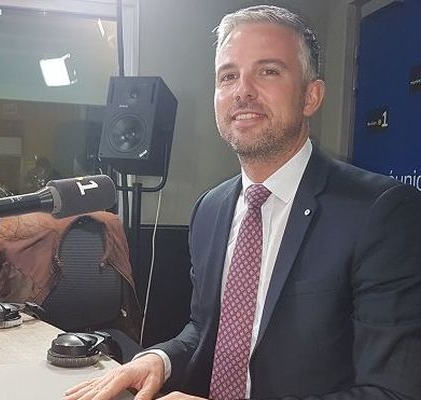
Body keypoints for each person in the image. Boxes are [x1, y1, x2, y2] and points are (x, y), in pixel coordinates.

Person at [63, 5, 421, 400]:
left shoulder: (381, 211)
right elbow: (204, 330)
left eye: (268, 71)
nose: (242, 90)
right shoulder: (210, 209)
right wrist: (158, 359)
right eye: (228, 76)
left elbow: (392, 392)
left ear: (311, 96)